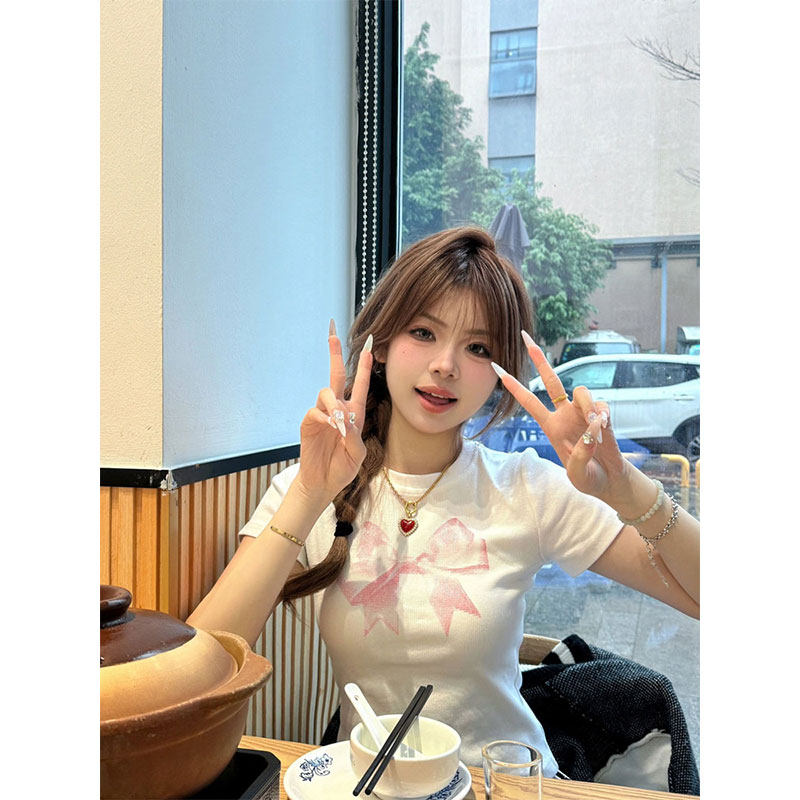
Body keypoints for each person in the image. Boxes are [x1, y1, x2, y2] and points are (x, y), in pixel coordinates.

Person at [187, 227, 699, 776]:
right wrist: (311, 493)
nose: (445, 365)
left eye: (478, 348)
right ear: (382, 343)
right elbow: (199, 667)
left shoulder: (525, 487)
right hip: (374, 783)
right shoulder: (309, 487)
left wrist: (627, 488)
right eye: (423, 332)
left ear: (499, 374)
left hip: (506, 785)